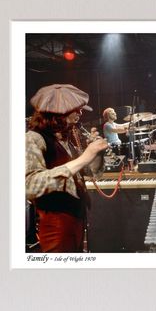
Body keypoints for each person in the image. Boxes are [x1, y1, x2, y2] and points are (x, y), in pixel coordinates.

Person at [26, 84, 108, 252]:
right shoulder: (33, 139)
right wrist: (84, 157)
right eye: (76, 109)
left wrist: (96, 153)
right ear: (58, 112)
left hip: (76, 219)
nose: (80, 113)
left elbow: (91, 172)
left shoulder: (65, 138)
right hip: (56, 225)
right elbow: (30, 185)